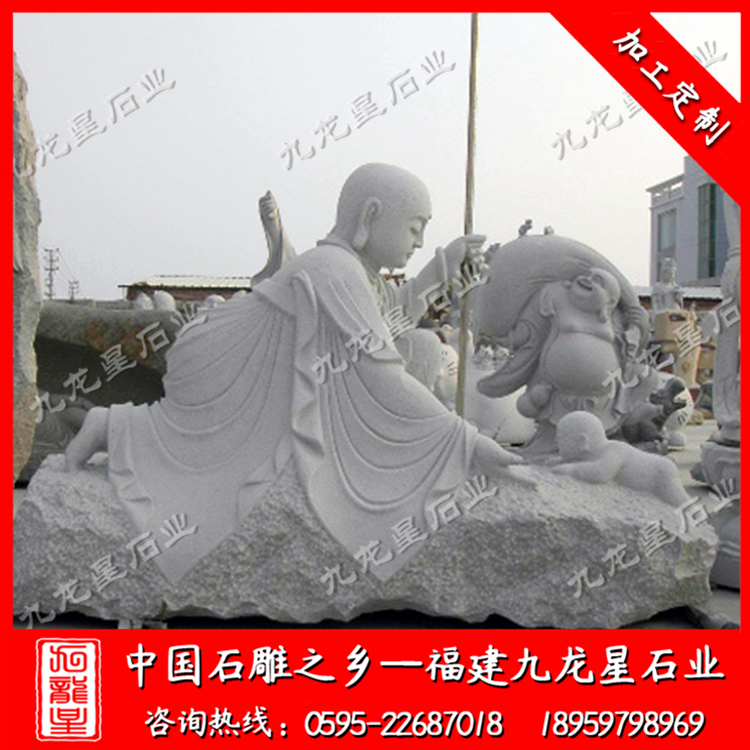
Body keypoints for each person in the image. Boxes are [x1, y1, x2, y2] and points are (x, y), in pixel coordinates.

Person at [66, 163, 526, 583]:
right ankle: (117, 429)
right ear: (370, 215)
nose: (420, 241)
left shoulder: (357, 271)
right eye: (414, 227)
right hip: (225, 377)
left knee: (417, 355)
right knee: (218, 466)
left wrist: (442, 269)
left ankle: (113, 427)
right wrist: (464, 441)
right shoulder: (335, 270)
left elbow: (388, 325)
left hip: (241, 372)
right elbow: (381, 374)